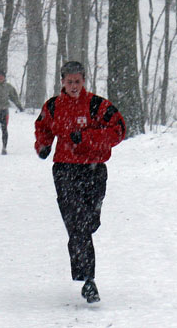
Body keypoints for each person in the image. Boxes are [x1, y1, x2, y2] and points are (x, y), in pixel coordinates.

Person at [34, 61, 126, 303]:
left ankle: (92, 221)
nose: (74, 86)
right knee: (77, 224)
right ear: (62, 81)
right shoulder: (53, 106)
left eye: (78, 81)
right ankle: (88, 280)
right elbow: (42, 126)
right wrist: (43, 145)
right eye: (69, 81)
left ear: (84, 81)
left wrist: (87, 138)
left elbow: (119, 129)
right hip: (64, 170)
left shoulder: (97, 105)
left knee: (88, 223)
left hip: (93, 170)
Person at [0, 69, 24, 155]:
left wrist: (19, 105)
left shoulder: (8, 87)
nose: (1, 78)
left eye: (2, 76)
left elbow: (14, 97)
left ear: (4, 77)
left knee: (4, 129)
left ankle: (4, 147)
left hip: (4, 111)